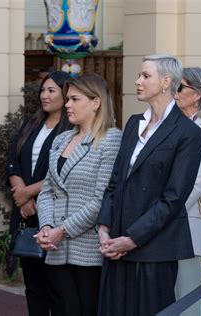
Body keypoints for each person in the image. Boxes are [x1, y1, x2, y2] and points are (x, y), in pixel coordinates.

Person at [97, 54, 201, 316]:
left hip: (154, 250)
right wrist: (103, 229)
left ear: (166, 81)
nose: (137, 81)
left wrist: (132, 239)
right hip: (116, 246)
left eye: (145, 76)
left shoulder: (188, 133)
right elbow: (115, 182)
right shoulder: (134, 124)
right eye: (139, 75)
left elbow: (174, 198)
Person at [36, 74, 122, 316]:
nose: (67, 105)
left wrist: (60, 231)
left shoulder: (111, 139)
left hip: (88, 251)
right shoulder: (62, 139)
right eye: (68, 99)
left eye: (74, 99)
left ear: (96, 103)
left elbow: (101, 199)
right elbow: (47, 192)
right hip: (55, 250)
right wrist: (46, 226)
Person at [7, 71, 71, 316]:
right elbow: (12, 161)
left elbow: (63, 172)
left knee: (56, 285)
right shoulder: (31, 123)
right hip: (25, 215)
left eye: (51, 90)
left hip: (53, 214)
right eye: (43, 90)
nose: (45, 95)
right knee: (33, 285)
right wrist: (21, 195)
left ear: (65, 94)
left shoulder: (71, 129)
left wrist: (27, 193)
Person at [173, 67, 201, 315]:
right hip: (162, 219)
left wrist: (167, 212)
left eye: (180, 87)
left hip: (185, 220)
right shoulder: (170, 125)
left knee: (188, 290)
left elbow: (199, 183)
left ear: (198, 94)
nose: (174, 92)